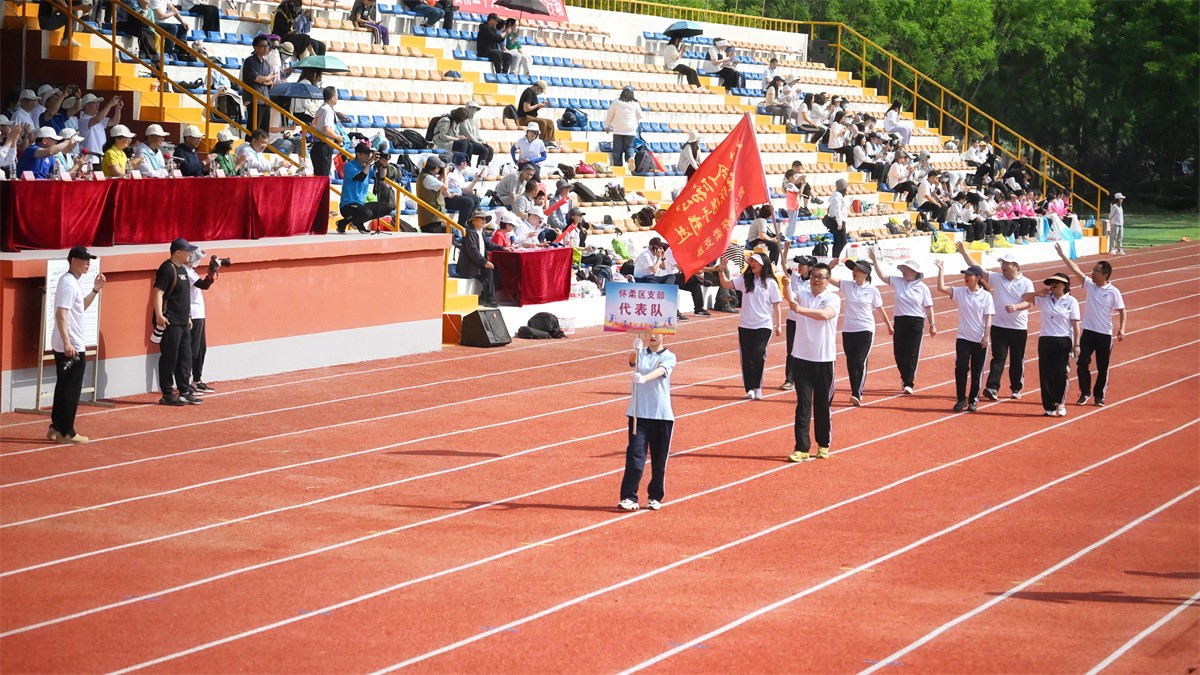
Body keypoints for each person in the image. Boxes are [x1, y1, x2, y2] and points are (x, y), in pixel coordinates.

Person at [953, 244, 1033, 400]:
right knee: (998, 357)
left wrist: (1016, 306)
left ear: (1015, 266)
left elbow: (1029, 302)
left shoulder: (1026, 282)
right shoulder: (997, 278)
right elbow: (976, 269)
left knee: (1017, 359)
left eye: (1006, 264)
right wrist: (964, 252)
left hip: (1018, 326)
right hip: (998, 325)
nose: (1002, 266)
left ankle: (1016, 387)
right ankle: (992, 387)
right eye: (1001, 263)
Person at [1055, 242, 1126, 406]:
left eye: (1096, 271)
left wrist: (1121, 329)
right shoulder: (1090, 285)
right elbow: (1075, 269)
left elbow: (1122, 310)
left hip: (1104, 335)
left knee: (1103, 367)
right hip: (1088, 332)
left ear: (1105, 274)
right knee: (1081, 363)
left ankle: (1099, 396)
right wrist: (1062, 256)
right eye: (1093, 270)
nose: (1092, 273)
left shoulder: (1114, 292)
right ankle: (1085, 392)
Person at [48, 246, 105, 444]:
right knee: (70, 389)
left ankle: (56, 428)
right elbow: (61, 314)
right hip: (71, 346)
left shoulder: (72, 282)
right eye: (84, 259)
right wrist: (67, 343)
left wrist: (95, 290)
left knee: (64, 387)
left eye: (89, 259)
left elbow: (80, 306)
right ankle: (66, 431)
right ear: (73, 260)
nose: (88, 263)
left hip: (70, 343)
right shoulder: (68, 284)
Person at [786, 262, 841, 462]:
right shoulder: (803, 293)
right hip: (801, 357)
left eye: (821, 277)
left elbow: (825, 315)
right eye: (814, 276)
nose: (816, 280)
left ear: (827, 280)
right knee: (802, 405)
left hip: (824, 359)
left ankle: (823, 444)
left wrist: (800, 310)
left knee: (822, 405)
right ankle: (801, 447)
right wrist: (784, 283)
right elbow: (790, 298)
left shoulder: (832, 298)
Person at [1006, 272, 1080, 417]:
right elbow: (1024, 298)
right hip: (1046, 340)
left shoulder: (1071, 301)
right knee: (1045, 374)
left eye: (1056, 282)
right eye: (1051, 282)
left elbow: (1075, 324)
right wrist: (1038, 293)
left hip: (1063, 340)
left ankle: (1060, 402)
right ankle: (1049, 406)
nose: (1053, 285)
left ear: (1064, 284)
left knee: (1060, 372)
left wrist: (1076, 344)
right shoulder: (1045, 298)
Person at [619, 331, 676, 511]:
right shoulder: (641, 353)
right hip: (638, 414)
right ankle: (629, 497)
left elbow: (661, 371)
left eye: (657, 333)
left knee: (659, 460)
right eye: (649, 332)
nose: (652, 335)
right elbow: (631, 361)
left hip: (661, 415)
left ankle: (655, 496)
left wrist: (644, 378)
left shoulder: (669, 356)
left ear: (665, 336)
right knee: (635, 456)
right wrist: (635, 348)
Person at [869, 248, 936, 393]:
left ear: (915, 272)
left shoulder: (923, 288)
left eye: (906, 269)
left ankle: (909, 383)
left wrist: (932, 325)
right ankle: (905, 377)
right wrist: (874, 260)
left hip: (916, 321)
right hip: (900, 320)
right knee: (898, 352)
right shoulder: (897, 281)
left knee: (912, 353)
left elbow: (929, 307)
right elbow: (882, 275)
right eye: (903, 268)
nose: (903, 271)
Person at [719, 253, 782, 400]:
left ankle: (758, 387)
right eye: (751, 261)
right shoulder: (745, 280)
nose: (752, 264)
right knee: (746, 358)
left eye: (756, 261)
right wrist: (721, 271)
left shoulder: (771, 283)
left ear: (763, 264)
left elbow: (777, 305)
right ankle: (749, 389)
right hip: (746, 325)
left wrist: (779, 324)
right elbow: (727, 284)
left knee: (758, 354)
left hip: (764, 325)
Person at [935, 260, 994, 412]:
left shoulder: (986, 296)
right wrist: (941, 269)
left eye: (969, 275)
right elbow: (941, 287)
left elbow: (988, 318)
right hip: (963, 338)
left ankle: (973, 399)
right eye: (965, 275)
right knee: (960, 368)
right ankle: (961, 398)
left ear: (978, 277)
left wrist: (986, 337)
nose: (966, 277)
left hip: (979, 339)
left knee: (976, 371)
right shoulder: (961, 292)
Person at [831, 258, 891, 405]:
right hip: (848, 330)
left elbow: (879, 309)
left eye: (857, 270)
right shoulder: (847, 285)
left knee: (859, 361)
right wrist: (830, 266)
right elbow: (827, 277)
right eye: (853, 270)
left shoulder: (873, 290)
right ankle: (855, 390)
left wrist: (889, 325)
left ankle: (857, 393)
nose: (854, 272)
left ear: (865, 273)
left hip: (865, 329)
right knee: (851, 362)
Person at [154, 239, 202, 406]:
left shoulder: (182, 269)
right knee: (169, 358)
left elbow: (183, 297)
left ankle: (184, 391)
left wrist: (187, 316)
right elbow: (158, 293)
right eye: (187, 251)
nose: (190, 254)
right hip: (170, 322)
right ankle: (167, 394)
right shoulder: (167, 268)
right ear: (178, 252)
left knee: (185, 358)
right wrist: (159, 315)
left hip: (183, 322)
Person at [779, 248, 814, 391]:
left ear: (810, 268)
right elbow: (783, 263)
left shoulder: (814, 282)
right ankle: (789, 379)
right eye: (798, 264)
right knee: (791, 350)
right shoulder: (794, 277)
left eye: (802, 264)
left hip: (808, 319)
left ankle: (809, 378)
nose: (799, 267)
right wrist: (786, 249)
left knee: (809, 348)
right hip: (793, 319)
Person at [186, 249, 219, 393]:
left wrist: (212, 271)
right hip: (193, 314)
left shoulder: (191, 271)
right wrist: (212, 271)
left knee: (201, 348)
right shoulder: (186, 271)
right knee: (193, 349)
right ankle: (186, 382)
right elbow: (204, 285)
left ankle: (196, 380)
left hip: (199, 314)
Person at [337, 143, 384, 233]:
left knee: (386, 207)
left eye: (369, 154)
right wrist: (369, 163)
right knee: (366, 213)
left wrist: (384, 165)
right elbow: (360, 177)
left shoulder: (367, 167)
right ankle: (344, 222)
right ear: (358, 154)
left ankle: (356, 222)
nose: (368, 156)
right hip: (348, 205)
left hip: (361, 204)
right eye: (366, 153)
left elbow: (381, 178)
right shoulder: (349, 165)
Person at [457, 210, 501, 307]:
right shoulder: (470, 233)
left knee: (497, 273)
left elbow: (489, 244)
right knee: (488, 272)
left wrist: (503, 248)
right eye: (482, 218)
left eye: (485, 219)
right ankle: (490, 299)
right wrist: (484, 262)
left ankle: (484, 297)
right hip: (470, 266)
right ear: (474, 220)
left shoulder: (480, 232)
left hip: (478, 264)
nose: (484, 221)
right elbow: (473, 251)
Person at [241, 35, 276, 133]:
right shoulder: (250, 61)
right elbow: (256, 78)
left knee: (264, 131)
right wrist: (266, 79)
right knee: (253, 129)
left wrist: (264, 80)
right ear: (256, 47)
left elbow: (270, 81)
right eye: (263, 46)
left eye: (267, 46)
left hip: (265, 99)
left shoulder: (266, 63)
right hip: (254, 100)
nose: (266, 48)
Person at [605, 86, 642, 168]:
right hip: (630, 129)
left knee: (617, 149)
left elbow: (610, 115)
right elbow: (640, 116)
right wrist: (634, 122)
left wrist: (607, 125)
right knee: (629, 147)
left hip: (618, 129)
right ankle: (630, 158)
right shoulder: (635, 104)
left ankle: (618, 167)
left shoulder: (616, 103)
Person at [309, 86, 341, 179]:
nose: (337, 98)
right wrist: (337, 137)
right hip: (323, 146)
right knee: (323, 178)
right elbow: (327, 129)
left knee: (319, 177)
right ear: (333, 97)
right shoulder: (327, 110)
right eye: (337, 96)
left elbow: (312, 125)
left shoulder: (322, 108)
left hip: (318, 146)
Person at [516, 80, 555, 146]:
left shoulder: (533, 93)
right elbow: (526, 109)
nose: (541, 92)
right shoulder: (528, 93)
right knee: (542, 122)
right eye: (541, 91)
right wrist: (537, 105)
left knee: (550, 122)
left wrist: (541, 105)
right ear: (538, 88)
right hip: (524, 118)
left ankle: (550, 141)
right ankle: (541, 142)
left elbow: (533, 108)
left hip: (531, 117)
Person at [824, 178, 849, 258]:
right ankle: (835, 257)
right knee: (843, 241)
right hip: (838, 221)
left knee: (837, 241)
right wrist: (839, 223)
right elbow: (837, 210)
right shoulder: (838, 196)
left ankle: (835, 258)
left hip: (836, 220)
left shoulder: (836, 195)